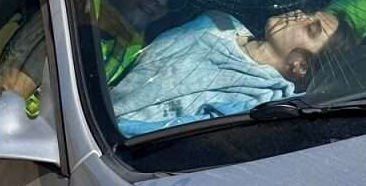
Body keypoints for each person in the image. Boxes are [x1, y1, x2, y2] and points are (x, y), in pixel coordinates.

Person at [109, 8, 351, 132]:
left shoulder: (258, 103)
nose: (300, 15)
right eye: (309, 14)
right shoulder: (218, 21)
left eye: (312, 29)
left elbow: (161, 135)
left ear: (300, 66)